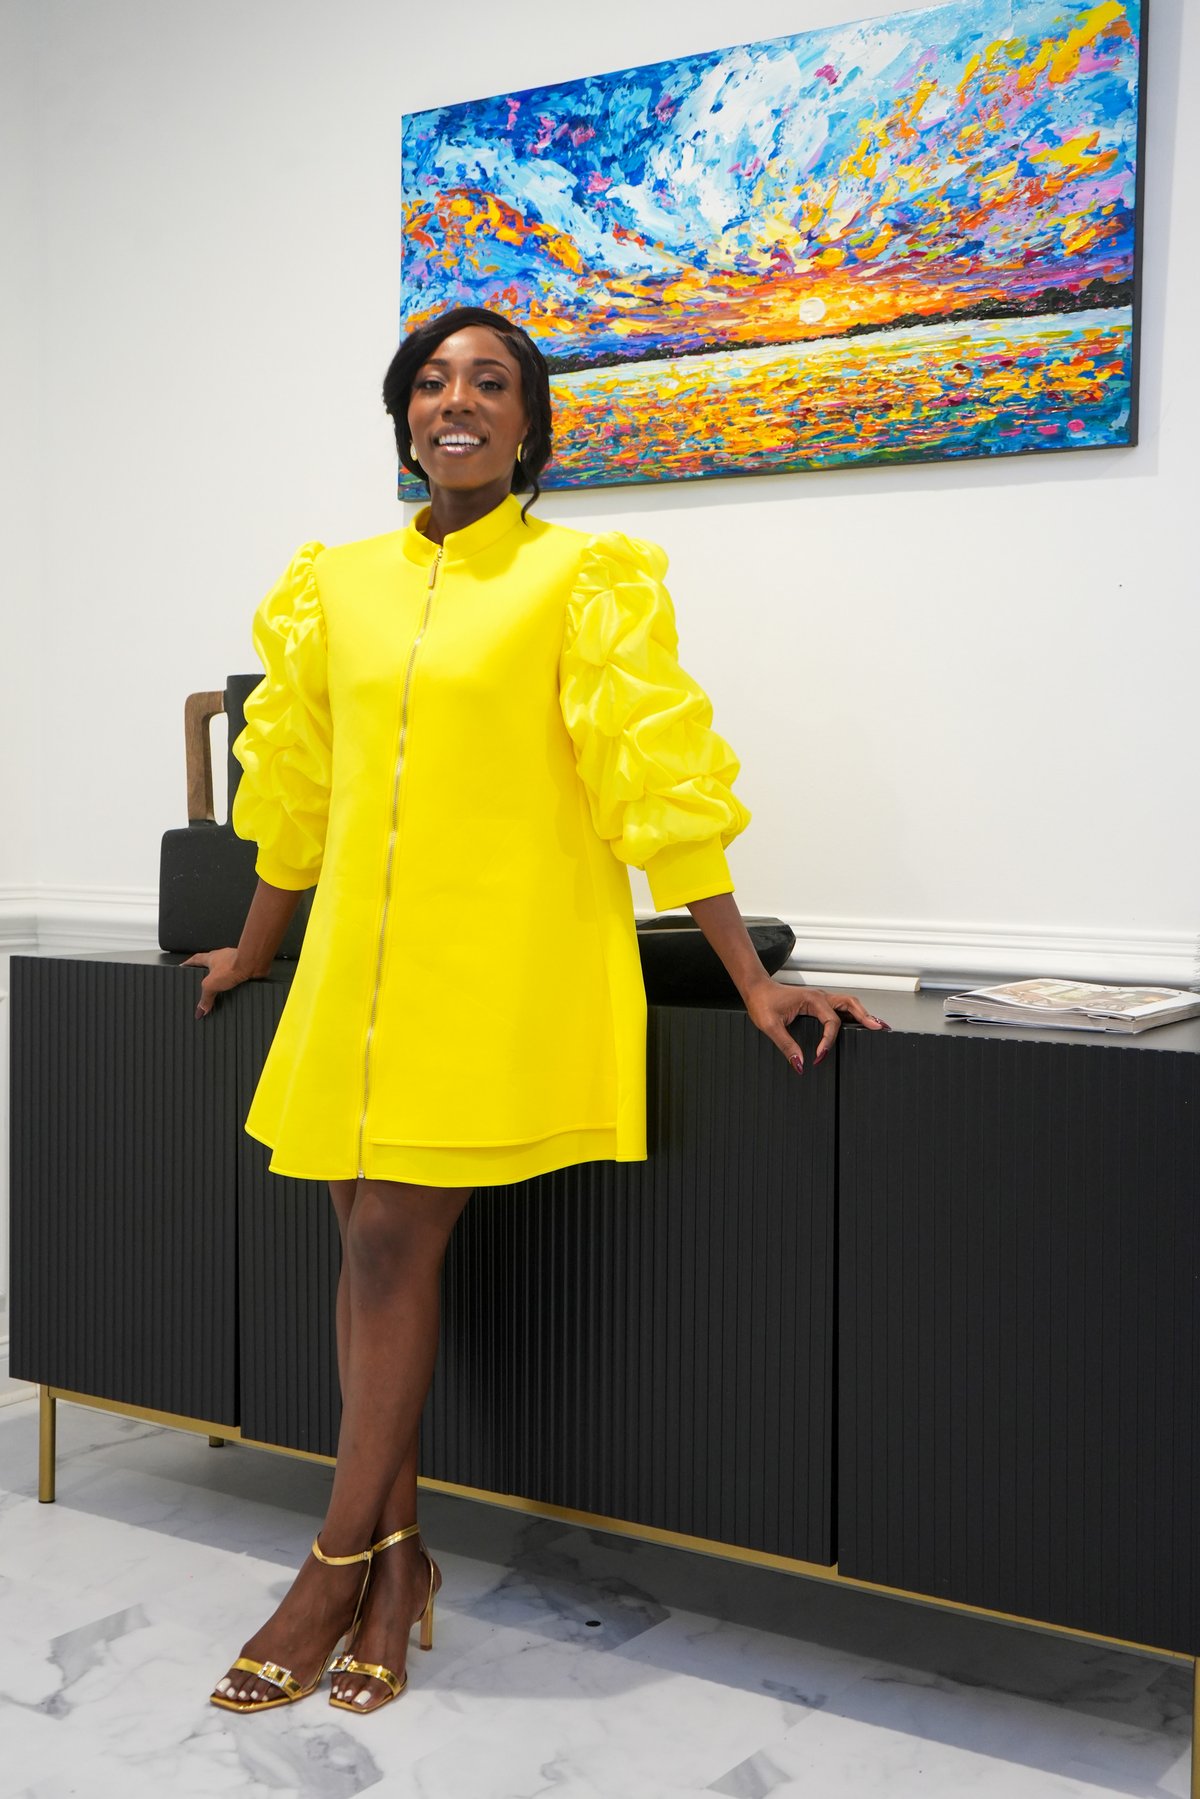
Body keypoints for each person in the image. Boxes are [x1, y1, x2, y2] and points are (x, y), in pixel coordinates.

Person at [191, 305, 887, 1718]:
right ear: (406, 417)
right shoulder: (332, 584)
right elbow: (296, 797)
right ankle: (400, 1569)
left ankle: (329, 1568)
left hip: (495, 966)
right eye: (433, 381)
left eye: (490, 382)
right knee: (363, 1248)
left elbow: (656, 787)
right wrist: (252, 952)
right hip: (353, 974)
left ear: (528, 424)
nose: (457, 400)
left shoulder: (583, 579)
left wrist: (752, 976)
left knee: (387, 1239)